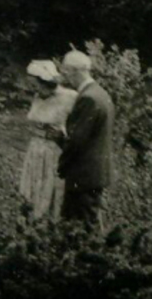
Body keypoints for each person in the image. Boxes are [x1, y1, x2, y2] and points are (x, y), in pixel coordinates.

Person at [56, 50, 115, 229]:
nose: (66, 78)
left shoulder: (88, 98)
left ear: (76, 71)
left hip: (83, 174)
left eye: (66, 72)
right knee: (86, 222)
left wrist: (61, 164)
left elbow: (76, 141)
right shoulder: (101, 93)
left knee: (80, 226)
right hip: (93, 173)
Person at [19, 59, 78, 219]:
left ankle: (50, 223)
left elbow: (78, 127)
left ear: (46, 82)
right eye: (31, 85)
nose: (33, 89)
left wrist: (63, 135)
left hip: (54, 151)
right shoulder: (38, 97)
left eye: (35, 85)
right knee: (33, 190)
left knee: (51, 188)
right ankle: (32, 222)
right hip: (36, 150)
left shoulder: (70, 98)